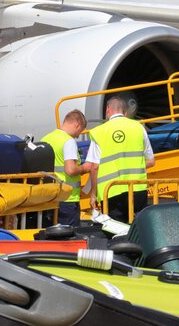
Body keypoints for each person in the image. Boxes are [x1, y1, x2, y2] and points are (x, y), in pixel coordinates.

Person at [86, 95, 156, 223]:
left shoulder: (99, 132)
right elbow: (151, 161)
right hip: (137, 189)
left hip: (111, 191)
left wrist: (93, 194)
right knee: (138, 229)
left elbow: (95, 167)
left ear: (108, 110)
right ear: (125, 113)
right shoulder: (138, 127)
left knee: (116, 231)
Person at [41, 109, 96, 227]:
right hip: (68, 199)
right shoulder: (68, 141)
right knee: (69, 238)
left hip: (49, 198)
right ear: (77, 125)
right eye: (79, 132)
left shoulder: (46, 138)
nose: (77, 136)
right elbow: (70, 170)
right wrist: (84, 168)